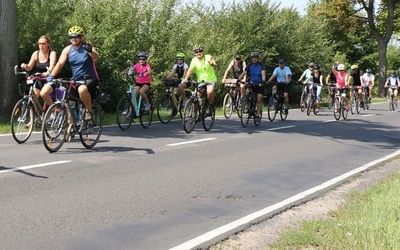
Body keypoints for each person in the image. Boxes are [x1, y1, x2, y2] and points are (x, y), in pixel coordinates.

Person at [47, 25, 99, 121]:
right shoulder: (67, 49)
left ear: (81, 37)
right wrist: (51, 75)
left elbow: (96, 57)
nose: (73, 39)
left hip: (90, 79)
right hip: (76, 80)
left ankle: (89, 111)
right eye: (71, 37)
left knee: (82, 90)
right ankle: (70, 128)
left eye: (76, 36)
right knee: (68, 102)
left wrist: (91, 51)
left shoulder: (87, 47)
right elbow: (60, 63)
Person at [20, 35, 57, 105]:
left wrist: (47, 72)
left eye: (43, 43)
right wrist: (25, 65)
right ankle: (31, 115)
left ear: (48, 44)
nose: (41, 45)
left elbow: (52, 65)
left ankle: (53, 110)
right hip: (40, 79)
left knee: (43, 93)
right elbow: (30, 67)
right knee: (33, 97)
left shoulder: (52, 53)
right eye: (39, 44)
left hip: (50, 79)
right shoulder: (35, 53)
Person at [182, 44, 218, 112]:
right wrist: (186, 78)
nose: (198, 53)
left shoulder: (208, 57)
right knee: (197, 97)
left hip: (211, 80)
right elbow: (190, 70)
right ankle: (194, 115)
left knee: (209, 92)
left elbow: (215, 65)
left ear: (203, 51)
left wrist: (212, 64)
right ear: (194, 53)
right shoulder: (194, 60)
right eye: (196, 52)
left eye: (200, 51)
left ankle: (211, 105)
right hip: (201, 81)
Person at [236, 52, 266, 118]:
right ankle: (248, 107)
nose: (254, 59)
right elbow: (244, 72)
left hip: (259, 84)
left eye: (256, 58)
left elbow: (263, 73)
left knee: (259, 98)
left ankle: (257, 114)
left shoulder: (261, 65)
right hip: (252, 82)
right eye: (253, 58)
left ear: (258, 58)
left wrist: (263, 81)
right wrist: (239, 79)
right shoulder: (250, 65)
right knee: (247, 92)